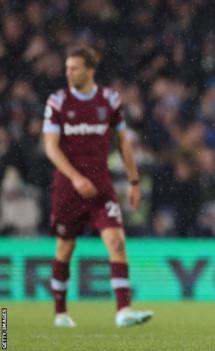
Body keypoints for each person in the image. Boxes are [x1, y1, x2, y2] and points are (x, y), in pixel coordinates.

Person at [42, 46, 153, 328]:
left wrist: (134, 180)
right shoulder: (57, 101)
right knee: (65, 247)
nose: (68, 73)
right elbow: (51, 147)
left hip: (101, 186)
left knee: (116, 242)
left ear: (90, 71)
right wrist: (75, 177)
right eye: (67, 68)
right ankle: (60, 313)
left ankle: (124, 311)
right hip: (68, 188)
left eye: (74, 68)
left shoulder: (110, 99)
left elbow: (123, 141)